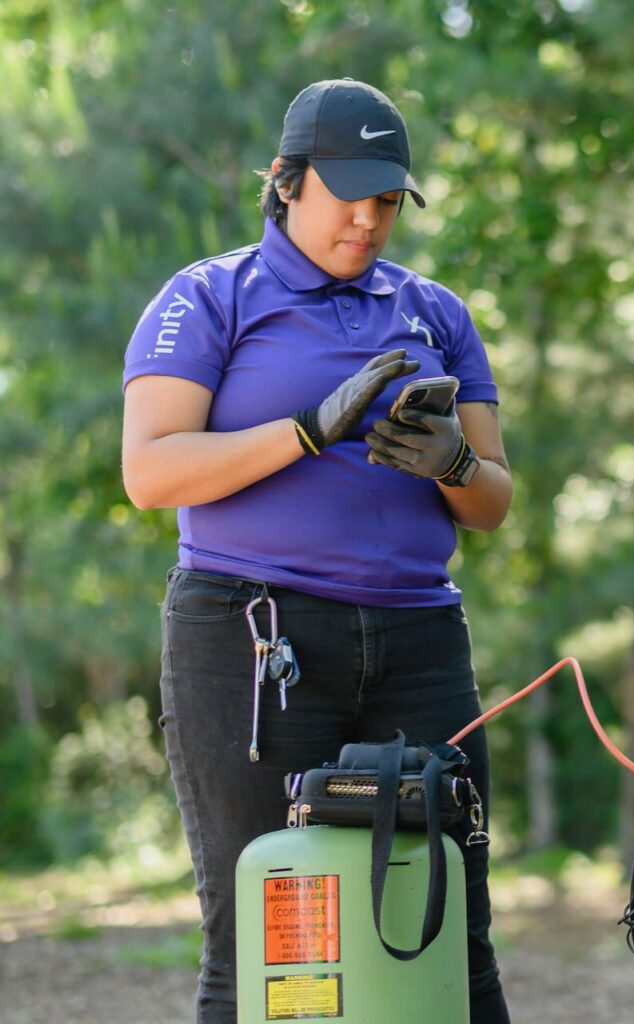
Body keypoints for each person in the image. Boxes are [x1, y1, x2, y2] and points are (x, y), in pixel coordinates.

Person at [122, 78, 512, 1024]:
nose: (371, 221)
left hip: (420, 643)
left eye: (389, 200)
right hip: (255, 642)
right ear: (289, 181)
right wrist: (306, 430)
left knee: (451, 920)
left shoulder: (435, 311)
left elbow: (492, 503)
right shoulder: (209, 297)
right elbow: (151, 471)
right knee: (266, 930)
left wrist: (453, 460)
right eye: (351, 195)